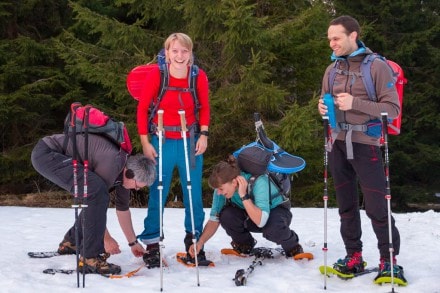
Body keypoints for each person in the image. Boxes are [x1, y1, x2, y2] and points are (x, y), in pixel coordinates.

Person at [317, 15, 406, 282]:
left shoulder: (376, 67)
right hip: (337, 143)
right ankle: (353, 256)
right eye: (329, 39)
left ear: (353, 35)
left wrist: (356, 103)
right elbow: (325, 100)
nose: (332, 43)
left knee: (377, 205)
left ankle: (388, 259)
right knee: (346, 205)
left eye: (336, 38)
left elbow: (392, 109)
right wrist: (322, 108)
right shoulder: (332, 70)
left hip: (366, 143)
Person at [31, 133, 156, 275]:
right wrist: (106, 239)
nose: (136, 189)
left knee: (95, 193)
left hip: (52, 154)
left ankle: (72, 242)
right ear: (129, 173)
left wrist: (133, 243)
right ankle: (90, 259)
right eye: (137, 186)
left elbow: (123, 209)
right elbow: (94, 202)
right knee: (96, 193)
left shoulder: (124, 173)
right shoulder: (112, 164)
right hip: (47, 154)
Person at [136, 32, 210, 267]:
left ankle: (194, 240)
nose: (180, 55)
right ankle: (153, 244)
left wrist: (205, 135)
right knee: (158, 190)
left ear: (190, 53)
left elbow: (205, 107)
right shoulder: (157, 75)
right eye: (175, 51)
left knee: (193, 194)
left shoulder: (197, 76)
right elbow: (142, 109)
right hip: (162, 140)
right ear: (167, 53)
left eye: (184, 51)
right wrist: (145, 143)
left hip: (190, 141)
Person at [187, 155, 305, 261]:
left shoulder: (259, 181)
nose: (218, 192)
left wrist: (244, 196)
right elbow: (214, 219)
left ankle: (293, 246)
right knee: (227, 215)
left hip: (276, 213)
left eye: (221, 189)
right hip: (251, 215)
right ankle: (245, 244)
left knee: (273, 228)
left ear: (234, 182)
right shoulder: (221, 190)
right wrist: (200, 242)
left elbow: (261, 221)